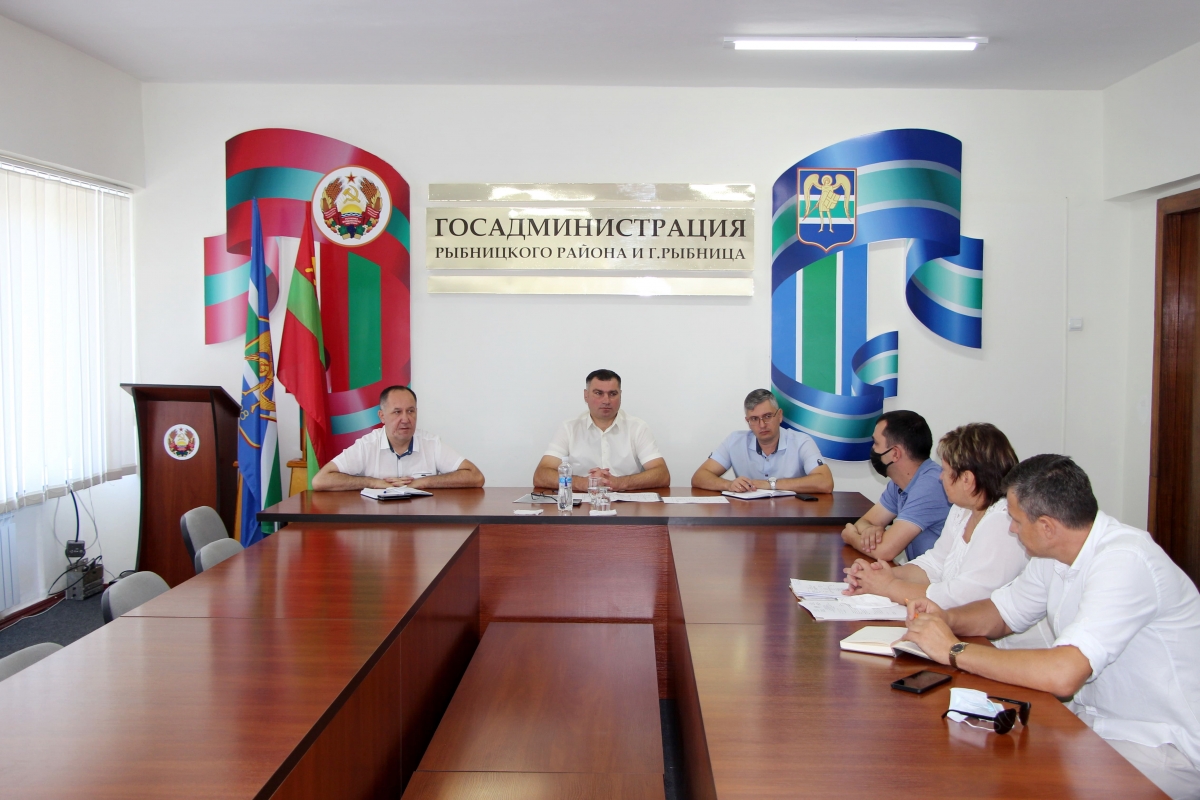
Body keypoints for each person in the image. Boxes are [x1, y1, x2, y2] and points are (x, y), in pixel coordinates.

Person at [902, 455, 1200, 800]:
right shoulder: (1055, 551)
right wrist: (946, 619)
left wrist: (953, 650)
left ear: (1046, 526)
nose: (1011, 530)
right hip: (1094, 723)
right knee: (974, 761)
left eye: (1015, 521)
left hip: (1162, 745)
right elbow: (1002, 613)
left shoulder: (1125, 561)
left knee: (1019, 782)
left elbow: (1063, 674)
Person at [843, 422, 1025, 608]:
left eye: (945, 470)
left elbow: (964, 597)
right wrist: (883, 575)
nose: (941, 476)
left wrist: (888, 586)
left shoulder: (1004, 522)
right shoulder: (962, 509)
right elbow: (935, 564)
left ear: (967, 479)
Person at [312, 385, 484, 490]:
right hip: (378, 524)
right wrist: (372, 483)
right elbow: (320, 480)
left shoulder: (431, 443)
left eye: (411, 411)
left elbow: (475, 477)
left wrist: (423, 482)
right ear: (382, 416)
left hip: (421, 523)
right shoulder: (367, 445)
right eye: (397, 412)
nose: (405, 419)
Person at [841, 410, 952, 561]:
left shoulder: (932, 485)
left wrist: (852, 537)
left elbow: (884, 551)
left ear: (895, 453)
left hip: (943, 576)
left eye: (876, 443)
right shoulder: (899, 483)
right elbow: (865, 522)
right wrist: (870, 531)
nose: (872, 449)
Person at [533, 369, 669, 491]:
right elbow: (541, 475)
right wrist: (584, 483)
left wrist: (619, 483)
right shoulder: (569, 427)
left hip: (626, 505)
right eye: (598, 393)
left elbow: (662, 475)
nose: (606, 400)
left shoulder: (637, 427)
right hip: (582, 505)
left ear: (620, 395)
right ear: (586, 395)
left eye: (613, 394)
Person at [691, 388, 833, 494]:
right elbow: (699, 477)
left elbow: (825, 482)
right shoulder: (735, 441)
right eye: (754, 419)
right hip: (749, 517)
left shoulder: (801, 442)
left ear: (779, 415)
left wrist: (770, 484)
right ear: (747, 421)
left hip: (792, 516)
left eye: (767, 416)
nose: (762, 424)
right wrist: (729, 485)